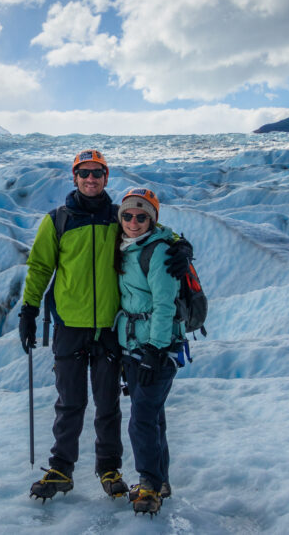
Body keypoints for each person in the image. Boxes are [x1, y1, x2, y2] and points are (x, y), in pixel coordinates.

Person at [18, 151, 190, 503]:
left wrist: (181, 245)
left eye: (97, 173)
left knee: (107, 401)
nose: (91, 178)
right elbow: (39, 268)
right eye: (84, 173)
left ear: (106, 177)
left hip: (111, 327)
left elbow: (152, 229)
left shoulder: (119, 217)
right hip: (69, 323)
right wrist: (28, 311)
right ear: (75, 177)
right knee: (70, 401)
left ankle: (109, 468)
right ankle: (61, 468)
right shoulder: (58, 220)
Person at [113, 187, 184, 515]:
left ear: (152, 220)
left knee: (141, 420)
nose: (133, 221)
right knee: (152, 418)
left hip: (155, 349)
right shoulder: (125, 246)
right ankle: (161, 480)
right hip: (132, 346)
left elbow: (164, 304)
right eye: (127, 215)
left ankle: (150, 486)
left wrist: (156, 349)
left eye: (142, 217)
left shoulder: (158, 252)